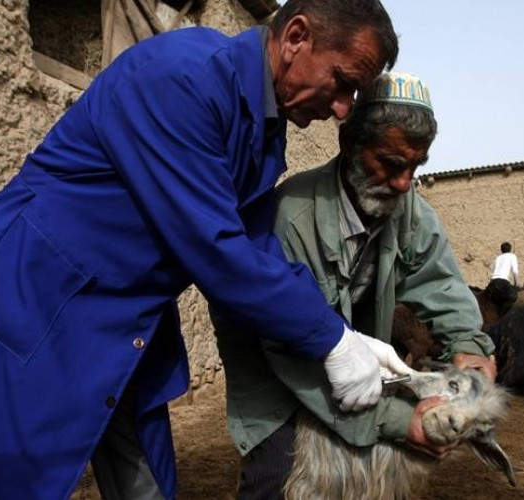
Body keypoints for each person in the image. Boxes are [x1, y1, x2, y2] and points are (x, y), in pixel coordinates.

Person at [0, 2, 401, 499]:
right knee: (12, 471)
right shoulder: (184, 79)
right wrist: (331, 342)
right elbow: (218, 250)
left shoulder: (264, 125)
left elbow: (256, 247)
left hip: (127, 308)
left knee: (144, 479)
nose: (343, 108)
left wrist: (341, 333)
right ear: (296, 36)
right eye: (342, 82)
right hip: (45, 289)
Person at [213, 72, 497, 499]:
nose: (403, 183)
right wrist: (404, 423)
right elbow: (295, 349)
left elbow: (439, 280)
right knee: (276, 473)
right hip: (279, 360)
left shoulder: (408, 210)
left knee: (365, 476)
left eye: (415, 168)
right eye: (390, 163)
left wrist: (469, 345)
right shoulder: (292, 218)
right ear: (349, 144)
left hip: (354, 360)